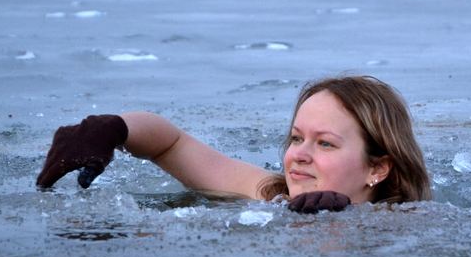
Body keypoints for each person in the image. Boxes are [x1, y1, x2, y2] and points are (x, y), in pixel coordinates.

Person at [36, 75, 432, 213]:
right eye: (296, 138)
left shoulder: (409, 229)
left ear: (378, 167)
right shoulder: (270, 194)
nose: (299, 155)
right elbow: (169, 144)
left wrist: (340, 229)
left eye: (325, 144)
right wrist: (112, 129)